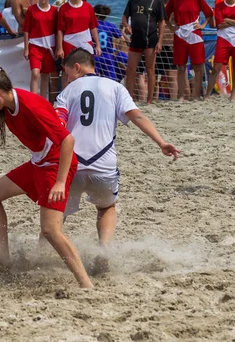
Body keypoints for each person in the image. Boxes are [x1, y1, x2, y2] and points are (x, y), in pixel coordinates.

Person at [55, 48, 179, 271]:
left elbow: (56, 127)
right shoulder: (115, 87)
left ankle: (43, 256)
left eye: (67, 73)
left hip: (71, 165)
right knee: (106, 207)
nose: (67, 79)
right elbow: (137, 116)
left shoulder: (67, 92)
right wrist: (161, 142)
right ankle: (103, 249)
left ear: (76, 67)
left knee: (54, 218)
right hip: (103, 165)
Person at [0, 68, 93, 288]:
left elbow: (68, 141)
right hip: (39, 162)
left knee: (50, 230)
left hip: (56, 165)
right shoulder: (4, 105)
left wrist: (60, 182)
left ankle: (86, 283)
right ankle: (3, 260)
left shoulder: (30, 105)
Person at [165, 0, 212, 101]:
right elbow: (165, 15)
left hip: (195, 33)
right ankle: (181, 97)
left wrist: (203, 25)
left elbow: (209, 13)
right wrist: (171, 27)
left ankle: (196, 96)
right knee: (181, 67)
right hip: (180, 34)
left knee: (198, 67)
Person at [121, 0, 166, 104]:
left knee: (150, 69)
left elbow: (162, 22)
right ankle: (129, 99)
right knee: (131, 70)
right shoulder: (133, 1)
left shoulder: (157, 2)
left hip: (150, 39)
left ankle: (149, 100)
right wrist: (126, 25)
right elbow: (124, 16)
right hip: (135, 39)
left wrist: (160, 41)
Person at [204, 0, 235, 101]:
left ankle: (233, 95)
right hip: (223, 38)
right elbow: (219, 24)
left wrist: (227, 19)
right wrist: (234, 21)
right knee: (216, 67)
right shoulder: (219, 5)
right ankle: (207, 95)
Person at [56, 0, 101, 88]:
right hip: (69, 43)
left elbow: (93, 27)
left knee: (88, 70)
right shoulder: (63, 8)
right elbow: (60, 30)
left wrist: (98, 45)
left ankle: (86, 93)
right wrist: (60, 48)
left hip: (86, 43)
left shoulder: (88, 7)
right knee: (67, 71)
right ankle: (66, 98)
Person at [23, 0, 57, 99]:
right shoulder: (31, 10)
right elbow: (26, 30)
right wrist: (26, 48)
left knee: (45, 75)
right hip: (35, 45)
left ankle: (42, 101)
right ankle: (33, 100)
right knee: (35, 73)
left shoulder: (54, 11)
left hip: (50, 47)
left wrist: (58, 47)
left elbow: (57, 31)